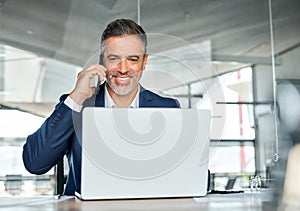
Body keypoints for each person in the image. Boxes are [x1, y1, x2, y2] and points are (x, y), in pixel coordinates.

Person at [22, 19, 180, 195]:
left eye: (132, 59)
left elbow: (188, 172)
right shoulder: (77, 106)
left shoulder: (168, 109)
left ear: (144, 62)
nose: (123, 68)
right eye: (114, 59)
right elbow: (35, 163)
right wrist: (77, 97)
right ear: (102, 61)